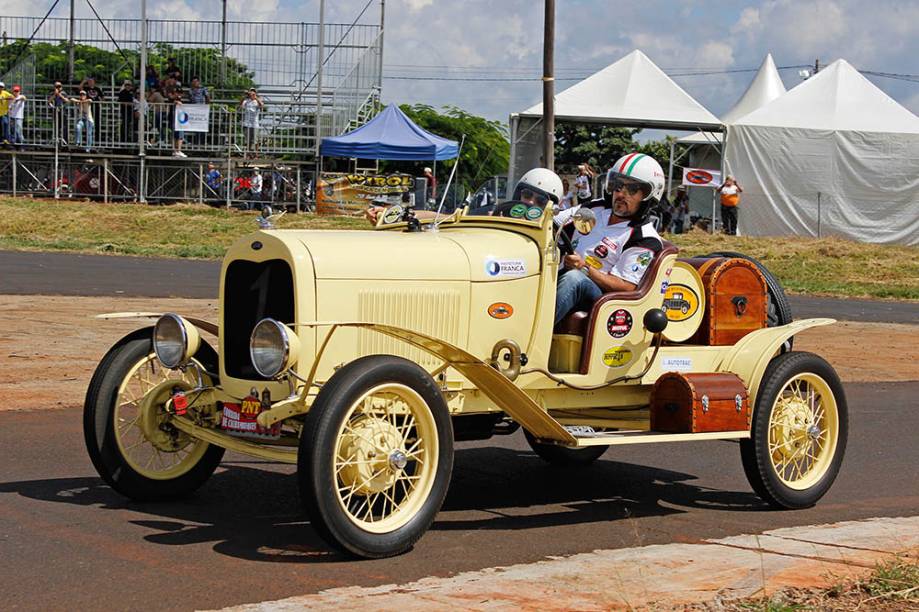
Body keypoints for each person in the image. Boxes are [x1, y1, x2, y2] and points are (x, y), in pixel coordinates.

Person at [554, 153, 666, 325]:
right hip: (561, 274)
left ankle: (532, 338)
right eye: (617, 185)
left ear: (648, 197)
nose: (621, 193)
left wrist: (584, 268)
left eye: (632, 189)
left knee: (574, 278)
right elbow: (554, 222)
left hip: (600, 298)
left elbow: (627, 285)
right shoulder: (595, 207)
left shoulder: (644, 237)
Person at [239, 88, 264, 156]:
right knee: (248, 140)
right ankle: (248, 154)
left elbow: (261, 106)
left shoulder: (258, 100)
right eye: (251, 92)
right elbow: (240, 105)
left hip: (255, 124)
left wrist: (256, 98)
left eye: (253, 92)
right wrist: (244, 97)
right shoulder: (246, 101)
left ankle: (256, 154)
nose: (252, 93)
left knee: (255, 140)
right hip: (247, 123)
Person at [169, 87, 187, 157]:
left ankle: (178, 150)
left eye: (180, 93)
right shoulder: (172, 98)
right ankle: (175, 151)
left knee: (180, 135)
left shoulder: (181, 99)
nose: (178, 94)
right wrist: (176, 101)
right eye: (177, 92)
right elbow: (171, 100)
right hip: (173, 118)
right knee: (175, 135)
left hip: (180, 119)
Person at [117, 80, 135, 144]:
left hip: (131, 111)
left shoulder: (132, 92)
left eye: (129, 85)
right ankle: (123, 140)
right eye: (126, 85)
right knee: (124, 125)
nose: (128, 86)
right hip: (125, 111)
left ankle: (130, 139)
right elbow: (120, 101)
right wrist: (129, 104)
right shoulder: (122, 92)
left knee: (131, 125)